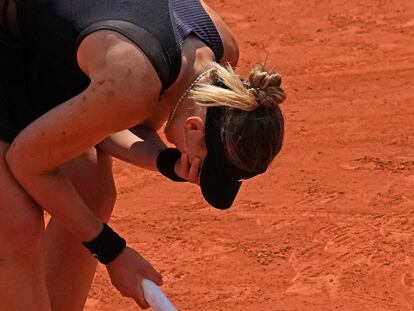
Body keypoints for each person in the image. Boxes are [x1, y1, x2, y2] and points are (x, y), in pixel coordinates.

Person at [0, 0, 286, 310]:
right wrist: (111, 252)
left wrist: (166, 162)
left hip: (42, 49)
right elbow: (26, 160)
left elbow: (99, 123)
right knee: (16, 225)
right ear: (194, 127)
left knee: (92, 194)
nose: (195, 171)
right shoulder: (133, 80)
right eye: (205, 165)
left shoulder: (219, 51)